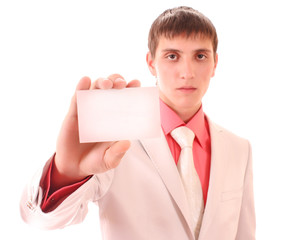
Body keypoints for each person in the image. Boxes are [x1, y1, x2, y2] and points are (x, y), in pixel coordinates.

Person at [20, 6, 255, 240]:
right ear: (151, 62)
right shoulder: (114, 139)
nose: (187, 72)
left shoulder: (239, 148)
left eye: (200, 56)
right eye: (172, 56)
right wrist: (65, 172)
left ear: (215, 63)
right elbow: (41, 220)